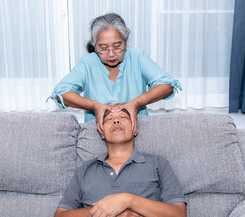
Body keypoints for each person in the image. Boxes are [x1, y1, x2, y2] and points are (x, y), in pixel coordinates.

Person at [53, 101, 186, 217]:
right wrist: (104, 214)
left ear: (134, 128)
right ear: (101, 131)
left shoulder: (158, 164)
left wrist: (128, 200)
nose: (116, 120)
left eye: (123, 117)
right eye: (109, 119)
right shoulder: (85, 170)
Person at [48, 13, 182, 139]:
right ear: (95, 47)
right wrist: (95, 106)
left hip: (137, 135)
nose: (111, 54)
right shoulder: (88, 63)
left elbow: (167, 86)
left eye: (117, 46)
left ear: (125, 42)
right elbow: (61, 94)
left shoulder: (137, 57)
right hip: (97, 137)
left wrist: (136, 103)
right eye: (104, 48)